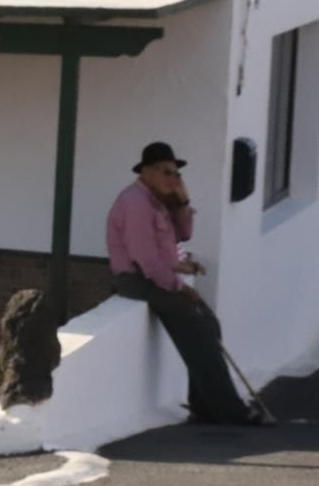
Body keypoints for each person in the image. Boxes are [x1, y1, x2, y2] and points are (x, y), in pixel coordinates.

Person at [106, 141, 263, 426]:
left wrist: (183, 202)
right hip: (137, 280)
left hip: (156, 277)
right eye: (167, 172)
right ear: (148, 172)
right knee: (199, 326)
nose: (174, 178)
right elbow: (146, 261)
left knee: (210, 324)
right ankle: (230, 411)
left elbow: (183, 234)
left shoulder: (158, 201)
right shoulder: (135, 203)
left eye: (177, 173)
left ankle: (204, 404)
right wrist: (180, 286)